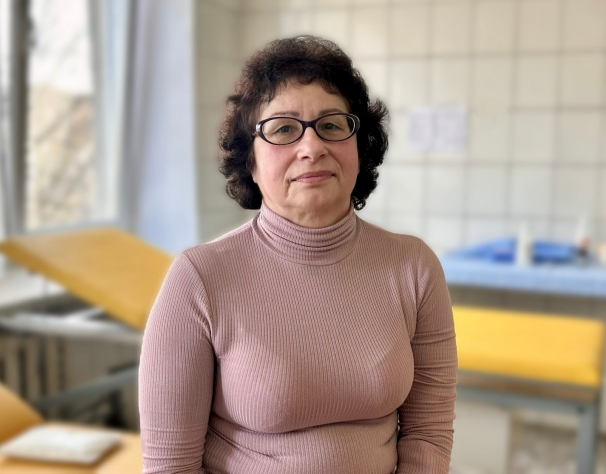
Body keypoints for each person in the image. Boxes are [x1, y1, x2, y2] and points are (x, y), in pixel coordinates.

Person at [138, 35, 457, 474]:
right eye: (283, 129)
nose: (312, 148)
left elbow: (428, 433)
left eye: (332, 126)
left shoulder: (414, 267)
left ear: (359, 147)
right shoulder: (199, 278)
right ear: (250, 161)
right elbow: (170, 465)